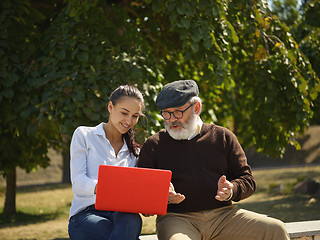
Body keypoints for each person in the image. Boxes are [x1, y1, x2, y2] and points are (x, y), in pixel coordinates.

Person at [137, 80, 290, 240]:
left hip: (224, 216)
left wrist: (231, 190)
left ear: (196, 108)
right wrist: (162, 197)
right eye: (166, 113)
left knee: (276, 229)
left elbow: (248, 180)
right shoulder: (153, 144)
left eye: (177, 112)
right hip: (177, 219)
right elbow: (142, 201)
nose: (171, 119)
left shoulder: (223, 137)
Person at [68, 85, 144, 240]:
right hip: (86, 214)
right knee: (115, 232)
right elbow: (78, 183)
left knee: (132, 219)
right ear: (110, 107)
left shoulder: (135, 152)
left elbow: (136, 191)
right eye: (124, 113)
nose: (129, 121)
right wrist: (107, 187)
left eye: (135, 116)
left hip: (122, 214)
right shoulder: (84, 135)